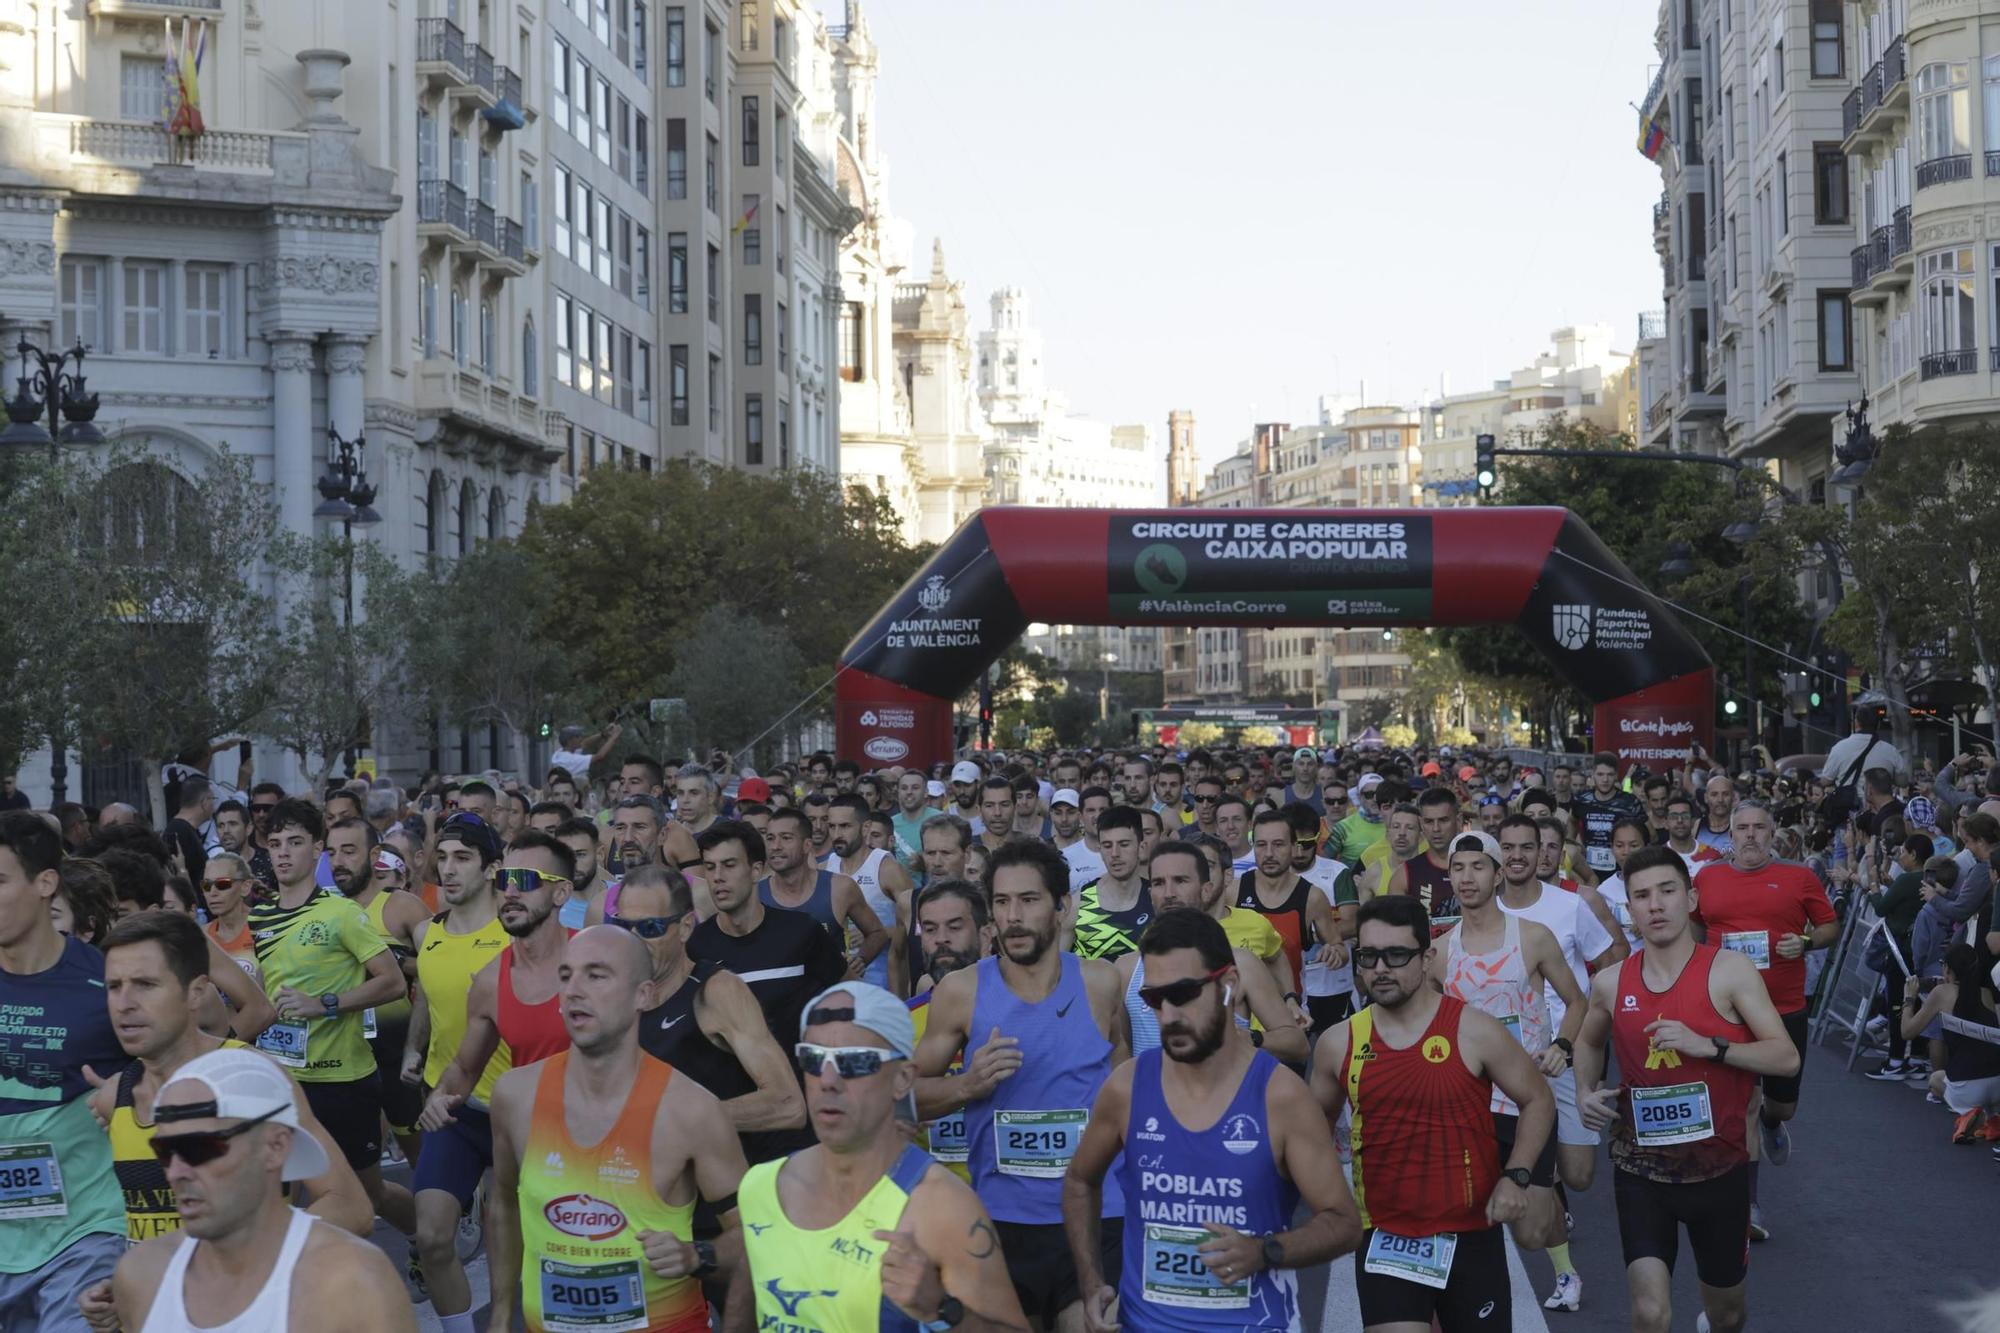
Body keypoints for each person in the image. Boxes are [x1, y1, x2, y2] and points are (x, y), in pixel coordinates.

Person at [1065, 909, 1360, 1333]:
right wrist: (1090, 1283)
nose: (1167, 1015)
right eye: (1154, 999)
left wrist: (1264, 1252)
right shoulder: (1127, 1089)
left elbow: (1343, 1223)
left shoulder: (1280, 1097)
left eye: (1184, 994)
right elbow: (1079, 1181)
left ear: (1229, 985)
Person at [1572, 847, 1801, 1333]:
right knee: (1650, 1313)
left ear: (1690, 897)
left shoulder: (1730, 971)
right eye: (1642, 896)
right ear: (1630, 912)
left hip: (1720, 1172)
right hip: (1641, 1170)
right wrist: (1584, 1091)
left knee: (1727, 1314)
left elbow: (1785, 1056)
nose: (1655, 905)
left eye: (1667, 891)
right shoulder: (1611, 984)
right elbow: (1588, 1041)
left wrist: (1710, 1047)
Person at [1309, 894, 1555, 1333]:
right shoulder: (1338, 1043)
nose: (1380, 968)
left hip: (1471, 1235)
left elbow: (1538, 1099)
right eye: (1369, 956)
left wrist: (1516, 1175)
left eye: (1396, 955)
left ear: (1427, 959)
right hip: (1386, 1239)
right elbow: (1312, 1133)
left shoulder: (1474, 1029)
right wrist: (1329, 1200)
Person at [486, 925, 747, 1333]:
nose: (574, 989)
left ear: (643, 995)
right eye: (566, 975)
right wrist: (500, 1316)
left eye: (596, 975)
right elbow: (503, 1204)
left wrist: (696, 1255)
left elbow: (756, 1235)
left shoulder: (691, 1110)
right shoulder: (515, 1096)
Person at [730, 982, 1030, 1333]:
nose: (828, 1080)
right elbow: (744, 1308)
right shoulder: (760, 1186)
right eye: (812, 1059)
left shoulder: (941, 1208)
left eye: (855, 1062)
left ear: (903, 1080)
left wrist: (942, 1310)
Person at [915, 840, 1129, 1330]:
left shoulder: (1100, 983)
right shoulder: (961, 992)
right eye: (1003, 901)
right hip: (1002, 1223)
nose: (1014, 915)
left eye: (1029, 900)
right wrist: (967, 1086)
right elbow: (899, 1097)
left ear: (1062, 906)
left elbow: (1123, 1080)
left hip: (1098, 1214)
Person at [84, 910, 368, 1247]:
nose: (124, 1004)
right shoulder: (114, 1097)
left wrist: (238, 1260)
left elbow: (350, 1207)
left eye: (145, 985)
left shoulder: (252, 1077)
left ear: (196, 992)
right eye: (114, 987)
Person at [107, 1048, 417, 1332]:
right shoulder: (141, 1276)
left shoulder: (350, 1281)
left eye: (199, 1148)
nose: (176, 1172)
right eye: (164, 1150)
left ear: (276, 1146)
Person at [1429, 831, 1589, 1313]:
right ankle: (1468, 1298)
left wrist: (1562, 1045)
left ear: (1498, 875)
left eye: (1478, 867)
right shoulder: (1440, 951)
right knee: (1466, 1209)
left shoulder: (1532, 937)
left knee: (1532, 1229)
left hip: (1526, 1100)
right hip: (1468, 1101)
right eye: (1458, 868)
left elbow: (1578, 1001)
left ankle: (1563, 1263)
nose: (1467, 877)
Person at [247, 799, 413, 1240]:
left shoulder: (341, 913)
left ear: (317, 848)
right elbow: (267, 988)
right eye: (275, 843)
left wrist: (325, 1004)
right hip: (283, 1081)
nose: (282, 853)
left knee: (365, 1198)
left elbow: (393, 982)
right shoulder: (259, 916)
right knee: (276, 1200)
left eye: (295, 843)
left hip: (343, 1082)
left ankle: (426, 1236)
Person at [0, 812, 130, 1329]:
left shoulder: (109, 982)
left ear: (45, 884)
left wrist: (136, 1084)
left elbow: (192, 1057)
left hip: (84, 1234)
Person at [1690, 798, 1838, 1233]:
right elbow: (1697, 925)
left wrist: (1806, 942)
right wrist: (1701, 967)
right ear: (1729, 835)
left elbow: (1830, 926)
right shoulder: (1708, 877)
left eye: (1759, 827)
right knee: (1746, 1105)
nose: (1751, 835)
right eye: (1743, 828)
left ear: (1772, 834)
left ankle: (1777, 1122)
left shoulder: (1799, 877)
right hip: (1730, 1011)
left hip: (1785, 1007)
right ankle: (1749, 1206)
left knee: (1780, 1106)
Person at [620, 864, 808, 1162]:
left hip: (726, 1187)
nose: (633, 940)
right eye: (623, 928)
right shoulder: (617, 996)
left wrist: (670, 1120)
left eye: (650, 928)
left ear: (685, 927)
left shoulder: (717, 992)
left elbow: (787, 1105)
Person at [1119, 843, 1308, 1066]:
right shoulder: (1126, 969)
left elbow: (1297, 1044)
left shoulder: (1241, 964)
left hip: (1227, 1097)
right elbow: (1122, 1050)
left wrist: (1252, 1038)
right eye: (1159, 883)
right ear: (1150, 894)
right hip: (1155, 1099)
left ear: (1206, 889)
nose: (1169, 893)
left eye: (1181, 880)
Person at [687, 820, 848, 1068]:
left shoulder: (802, 931)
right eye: (710, 867)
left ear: (756, 870)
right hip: (736, 1098)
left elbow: (851, 992)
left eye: (729, 865)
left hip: (806, 1087)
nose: (718, 877)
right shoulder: (696, 948)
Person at [327, 818, 427, 1166]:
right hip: (346, 1056)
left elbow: (441, 966)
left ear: (372, 855)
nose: (338, 860)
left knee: (422, 1159)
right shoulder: (326, 910)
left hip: (398, 1051)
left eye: (349, 851)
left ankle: (461, 1215)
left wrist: (400, 962)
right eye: (332, 852)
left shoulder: (401, 905)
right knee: (357, 1170)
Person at [1237, 808, 1339, 1028]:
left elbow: (1337, 945)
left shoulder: (1312, 897)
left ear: (1294, 848)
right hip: (1242, 1017)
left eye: (1278, 844)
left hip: (1291, 1015)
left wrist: (1334, 952)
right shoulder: (1234, 892)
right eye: (1261, 845)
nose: (1269, 853)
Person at [1901, 943, 2000, 1139]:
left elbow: (1907, 1032)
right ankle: (1992, 1119)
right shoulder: (1988, 995)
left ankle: (1969, 1114)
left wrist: (1909, 999)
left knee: (1936, 1079)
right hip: (1997, 1083)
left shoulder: (1941, 993)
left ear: (1947, 968)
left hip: (1967, 1086)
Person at [818, 797, 907, 989]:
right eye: (832, 826)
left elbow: (918, 923)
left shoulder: (886, 867)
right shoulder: (825, 868)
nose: (836, 834)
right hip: (837, 983)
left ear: (865, 828)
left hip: (881, 982)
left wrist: (878, 931)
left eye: (844, 826)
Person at [1071, 806, 1155, 962]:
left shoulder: (1157, 899)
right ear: (1100, 849)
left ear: (1141, 847)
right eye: (1107, 846)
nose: (1115, 854)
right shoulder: (1078, 904)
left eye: (1124, 844)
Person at [1381, 786, 1463, 921]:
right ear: (1421, 823)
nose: (1436, 829)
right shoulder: (1404, 875)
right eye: (1429, 821)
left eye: (1443, 820)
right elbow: (1397, 929)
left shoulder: (1482, 866)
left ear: (1458, 821)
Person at [1572, 754, 1645, 878]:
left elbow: (1650, 835)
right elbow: (1571, 821)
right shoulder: (1581, 799)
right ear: (1593, 774)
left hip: (1621, 870)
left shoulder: (1629, 802)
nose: (1605, 780)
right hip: (1588, 870)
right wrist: (1574, 845)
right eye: (1600, 774)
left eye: (1610, 775)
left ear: (1616, 775)